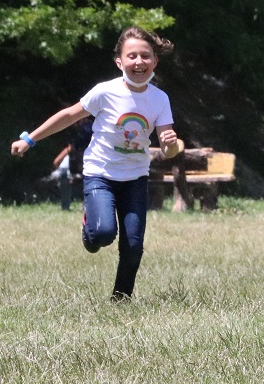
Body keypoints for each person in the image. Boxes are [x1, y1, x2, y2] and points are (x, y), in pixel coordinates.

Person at [11, 27, 180, 302]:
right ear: (120, 62)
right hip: (100, 173)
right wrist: (30, 139)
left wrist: (171, 143)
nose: (139, 62)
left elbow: (168, 147)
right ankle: (89, 223)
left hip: (135, 176)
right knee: (102, 234)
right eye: (132, 56)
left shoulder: (159, 99)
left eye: (145, 56)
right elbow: (68, 115)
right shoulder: (105, 92)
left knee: (134, 245)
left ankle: (121, 299)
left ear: (155, 61)